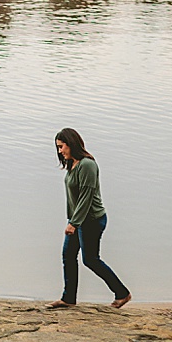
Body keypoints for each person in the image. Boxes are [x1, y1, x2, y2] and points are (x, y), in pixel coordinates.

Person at [50, 128, 131, 309]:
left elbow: (86, 198)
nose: (59, 151)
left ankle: (122, 293)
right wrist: (72, 220)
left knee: (90, 259)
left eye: (62, 147)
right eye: (58, 147)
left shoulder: (87, 165)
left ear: (72, 144)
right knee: (68, 256)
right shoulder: (72, 164)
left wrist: (74, 223)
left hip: (91, 220)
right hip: (79, 219)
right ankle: (68, 298)